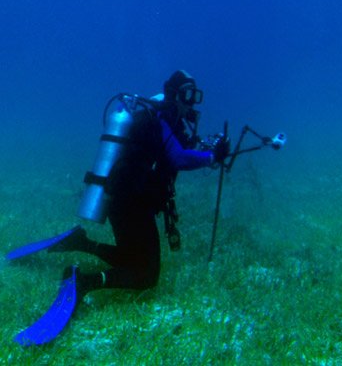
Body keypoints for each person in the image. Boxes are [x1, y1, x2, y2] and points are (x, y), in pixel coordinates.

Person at [48, 70, 231, 297]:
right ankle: (82, 283)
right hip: (131, 202)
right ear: (174, 95)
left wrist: (209, 149)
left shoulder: (167, 121)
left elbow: (179, 149)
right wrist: (212, 157)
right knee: (147, 276)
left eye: (195, 95)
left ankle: (82, 243)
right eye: (187, 95)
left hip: (125, 199)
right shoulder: (161, 118)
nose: (191, 102)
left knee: (130, 256)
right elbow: (178, 157)